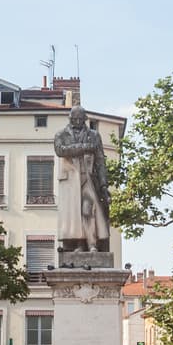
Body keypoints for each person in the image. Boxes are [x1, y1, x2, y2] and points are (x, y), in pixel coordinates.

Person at [53, 106, 113, 253]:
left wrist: (104, 185)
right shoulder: (61, 134)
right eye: (75, 119)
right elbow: (60, 150)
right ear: (70, 119)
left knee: (88, 209)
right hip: (70, 180)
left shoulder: (94, 135)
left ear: (85, 119)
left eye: (80, 119)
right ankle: (80, 244)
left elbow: (100, 161)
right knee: (74, 215)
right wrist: (83, 147)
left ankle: (92, 244)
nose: (78, 121)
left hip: (88, 178)